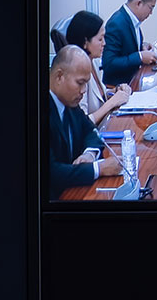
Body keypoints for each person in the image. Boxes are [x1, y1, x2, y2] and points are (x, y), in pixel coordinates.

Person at [46, 46, 123, 195]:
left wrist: (89, 154)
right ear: (59, 76)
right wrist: (98, 168)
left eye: (86, 83)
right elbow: (50, 171)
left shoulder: (69, 102)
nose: (83, 90)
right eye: (80, 83)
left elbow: (91, 131)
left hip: (73, 189)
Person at [63, 10, 133, 124]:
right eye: (100, 39)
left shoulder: (93, 61)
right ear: (85, 42)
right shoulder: (76, 73)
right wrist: (112, 103)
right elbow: (83, 123)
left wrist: (116, 91)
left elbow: (100, 95)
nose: (104, 43)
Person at [101, 0, 157, 85]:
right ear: (139, 3)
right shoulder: (116, 24)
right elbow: (109, 64)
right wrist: (140, 56)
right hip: (118, 87)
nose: (151, 13)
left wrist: (142, 47)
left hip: (133, 81)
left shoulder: (132, 20)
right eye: (151, 7)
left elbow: (127, 49)